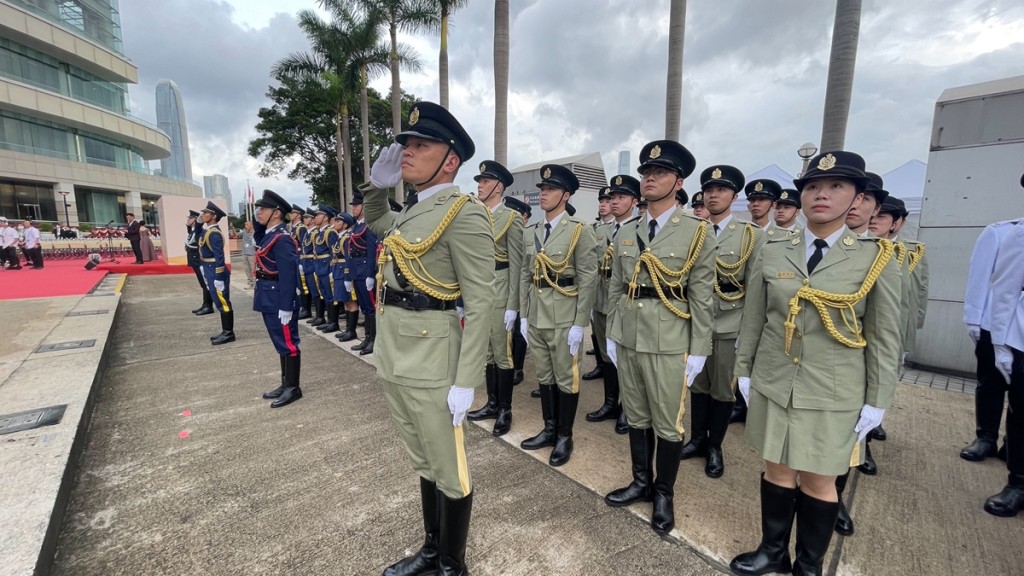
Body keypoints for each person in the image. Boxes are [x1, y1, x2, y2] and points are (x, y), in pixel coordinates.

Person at [729, 151, 901, 576]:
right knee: (777, 468)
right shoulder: (773, 247)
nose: (821, 194)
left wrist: (878, 400)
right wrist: (745, 369)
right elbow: (755, 315)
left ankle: (808, 567)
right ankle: (773, 553)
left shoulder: (875, 258)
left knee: (820, 479)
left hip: (833, 389)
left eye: (836, 186)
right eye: (812, 187)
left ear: (859, 198)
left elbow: (883, 338)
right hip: (774, 379)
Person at [364, 101, 493, 576]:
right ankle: (432, 550)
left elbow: (482, 303)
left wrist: (467, 380)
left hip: (434, 355)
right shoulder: (413, 213)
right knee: (423, 459)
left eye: (421, 145)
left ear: (451, 159)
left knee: (450, 467)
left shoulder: (463, 213)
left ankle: (452, 564)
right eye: (407, 145)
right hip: (396, 351)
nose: (408, 153)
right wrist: (377, 186)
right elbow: (376, 222)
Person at [603, 140, 716, 535]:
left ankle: (664, 493)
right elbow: (617, 286)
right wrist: (614, 334)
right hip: (630, 336)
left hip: (670, 339)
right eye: (646, 173)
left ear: (678, 181)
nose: (650, 179)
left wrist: (700, 349)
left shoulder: (697, 232)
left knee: (668, 423)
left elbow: (703, 296)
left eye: (660, 173)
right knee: (636, 414)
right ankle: (640, 481)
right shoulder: (628, 231)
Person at [683, 166, 764, 476]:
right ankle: (696, 440)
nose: (713, 194)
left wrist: (749, 333)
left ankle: (714, 445)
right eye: (709, 189)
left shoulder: (750, 235)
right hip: (696, 324)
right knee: (697, 384)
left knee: (723, 391)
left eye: (721, 189)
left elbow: (756, 289)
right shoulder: (693, 230)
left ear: (735, 195)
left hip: (731, 325)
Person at [465, 160, 523, 437]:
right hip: (479, 291)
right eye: (479, 180)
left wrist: (513, 305)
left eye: (485, 181)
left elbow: (517, 265)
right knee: (486, 352)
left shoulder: (510, 218)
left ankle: (505, 409)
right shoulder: (475, 214)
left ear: (498, 186)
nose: (480, 185)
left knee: (502, 354)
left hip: (500, 290)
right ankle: (490, 403)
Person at [961, 206, 1022, 462]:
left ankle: (1012, 443)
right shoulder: (1000, 232)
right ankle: (985, 436)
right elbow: (980, 276)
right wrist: (973, 318)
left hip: (1018, 327)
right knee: (990, 383)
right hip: (990, 323)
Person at [587, 176, 641, 435]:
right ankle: (610, 402)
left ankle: (627, 410)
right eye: (611, 198)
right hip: (601, 301)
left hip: (626, 305)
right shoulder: (601, 231)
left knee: (627, 361)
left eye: (620, 197)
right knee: (608, 357)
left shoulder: (640, 231)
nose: (613, 202)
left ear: (634, 201)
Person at [982, 218, 1024, 517]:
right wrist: (1000, 343)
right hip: (1022, 339)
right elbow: (1005, 289)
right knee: (1022, 413)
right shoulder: (1019, 233)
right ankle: (1018, 482)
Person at [252, 190, 304, 408]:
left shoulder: (282, 239)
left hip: (278, 298)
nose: (258, 212)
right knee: (279, 342)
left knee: (289, 344)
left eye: (263, 209)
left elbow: (289, 275)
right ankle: (285, 384)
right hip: (268, 294)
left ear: (276, 213)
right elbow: (257, 234)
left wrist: (287, 305)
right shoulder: (269, 235)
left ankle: (293, 388)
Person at [582, 185, 615, 384]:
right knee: (599, 331)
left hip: (614, 288)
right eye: (602, 201)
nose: (604, 205)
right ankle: (602, 365)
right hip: (598, 286)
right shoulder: (594, 228)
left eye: (608, 201)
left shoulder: (625, 228)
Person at [343, 194, 381, 354]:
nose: (353, 208)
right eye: (353, 205)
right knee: (365, 308)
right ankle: (367, 338)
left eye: (356, 205)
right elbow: (351, 253)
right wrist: (349, 275)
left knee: (371, 308)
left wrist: (371, 275)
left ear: (364, 207)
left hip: (365, 271)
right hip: (356, 271)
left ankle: (374, 340)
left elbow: (372, 252)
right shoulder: (357, 227)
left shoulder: (368, 226)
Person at [198, 202, 235, 345]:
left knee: (223, 302)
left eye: (206, 213)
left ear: (213, 216)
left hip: (216, 270)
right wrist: (199, 224)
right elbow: (197, 235)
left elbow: (220, 257)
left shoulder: (214, 234)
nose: (203, 215)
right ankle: (226, 331)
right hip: (209, 268)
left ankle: (229, 333)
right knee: (219, 302)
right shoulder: (208, 231)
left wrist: (219, 277)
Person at [505, 196, 532, 386]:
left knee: (517, 332)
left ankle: (518, 368)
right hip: (502, 286)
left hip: (519, 287)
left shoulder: (525, 233)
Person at [299, 207, 318, 321]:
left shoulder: (315, 233)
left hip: (312, 264)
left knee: (316, 291)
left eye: (307, 218)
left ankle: (319, 316)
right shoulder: (307, 233)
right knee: (308, 289)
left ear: (312, 219)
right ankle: (312, 313)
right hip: (306, 263)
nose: (304, 219)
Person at [241, 220, 256, 287]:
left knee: (253, 269)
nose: (245, 226)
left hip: (252, 254)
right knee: (247, 269)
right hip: (245, 253)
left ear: (252, 225)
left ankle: (255, 283)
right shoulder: (244, 232)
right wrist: (232, 228)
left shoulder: (255, 233)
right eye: (245, 224)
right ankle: (250, 283)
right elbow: (234, 235)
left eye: (247, 224)